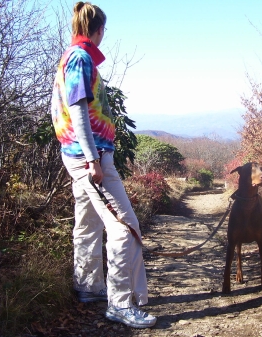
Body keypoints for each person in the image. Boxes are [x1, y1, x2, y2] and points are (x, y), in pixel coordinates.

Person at [50, 2, 156, 329]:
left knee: (88, 222)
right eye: (104, 30)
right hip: (90, 158)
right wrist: (93, 158)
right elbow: (78, 110)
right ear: (98, 30)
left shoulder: (69, 58)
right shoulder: (81, 59)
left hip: (77, 157)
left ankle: (88, 286)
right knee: (124, 227)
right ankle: (121, 303)